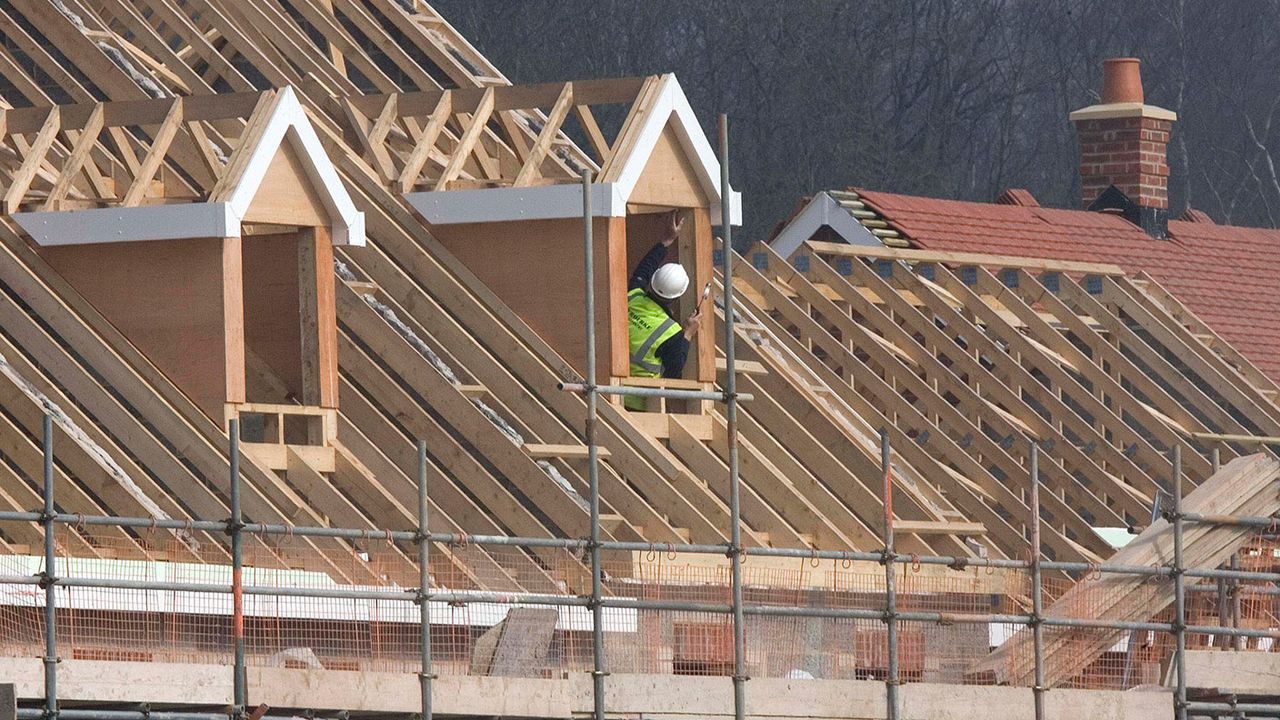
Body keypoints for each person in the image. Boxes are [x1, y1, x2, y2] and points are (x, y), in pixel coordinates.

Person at [625, 211, 701, 410]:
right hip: (639, 403)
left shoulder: (632, 295)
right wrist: (688, 334)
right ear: (677, 297)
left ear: (653, 281)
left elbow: (643, 269)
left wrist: (666, 241)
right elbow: (674, 371)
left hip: (606, 390)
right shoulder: (670, 332)